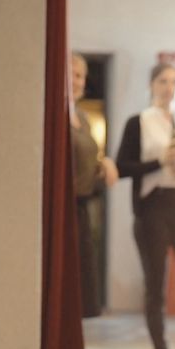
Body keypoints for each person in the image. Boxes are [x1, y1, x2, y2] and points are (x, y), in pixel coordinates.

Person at [116, 62, 175, 349]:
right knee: (155, 283)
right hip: (152, 207)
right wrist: (158, 162)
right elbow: (122, 166)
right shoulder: (138, 122)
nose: (169, 87)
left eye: (174, 82)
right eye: (163, 81)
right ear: (152, 85)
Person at [70, 52, 118, 318]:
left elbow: (88, 159)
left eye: (81, 76)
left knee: (84, 289)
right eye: (72, 74)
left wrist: (104, 162)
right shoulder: (56, 117)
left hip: (83, 207)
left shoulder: (83, 118)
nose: (78, 81)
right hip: (64, 209)